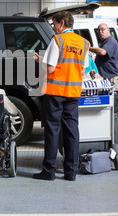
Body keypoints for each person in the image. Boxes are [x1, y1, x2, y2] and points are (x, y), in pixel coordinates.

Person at [33, 11, 90, 181]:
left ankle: (49, 171)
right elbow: (83, 67)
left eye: (54, 24)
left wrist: (41, 63)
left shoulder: (57, 40)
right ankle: (70, 172)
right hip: (73, 93)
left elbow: (50, 68)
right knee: (72, 131)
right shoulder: (84, 43)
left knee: (52, 131)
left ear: (62, 24)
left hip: (56, 93)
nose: (53, 27)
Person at [89, 23, 118, 88]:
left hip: (111, 78)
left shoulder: (110, 41)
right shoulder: (105, 42)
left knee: (112, 97)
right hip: (105, 78)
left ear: (108, 30)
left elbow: (102, 52)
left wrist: (88, 48)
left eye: (102, 29)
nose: (100, 32)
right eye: (98, 30)